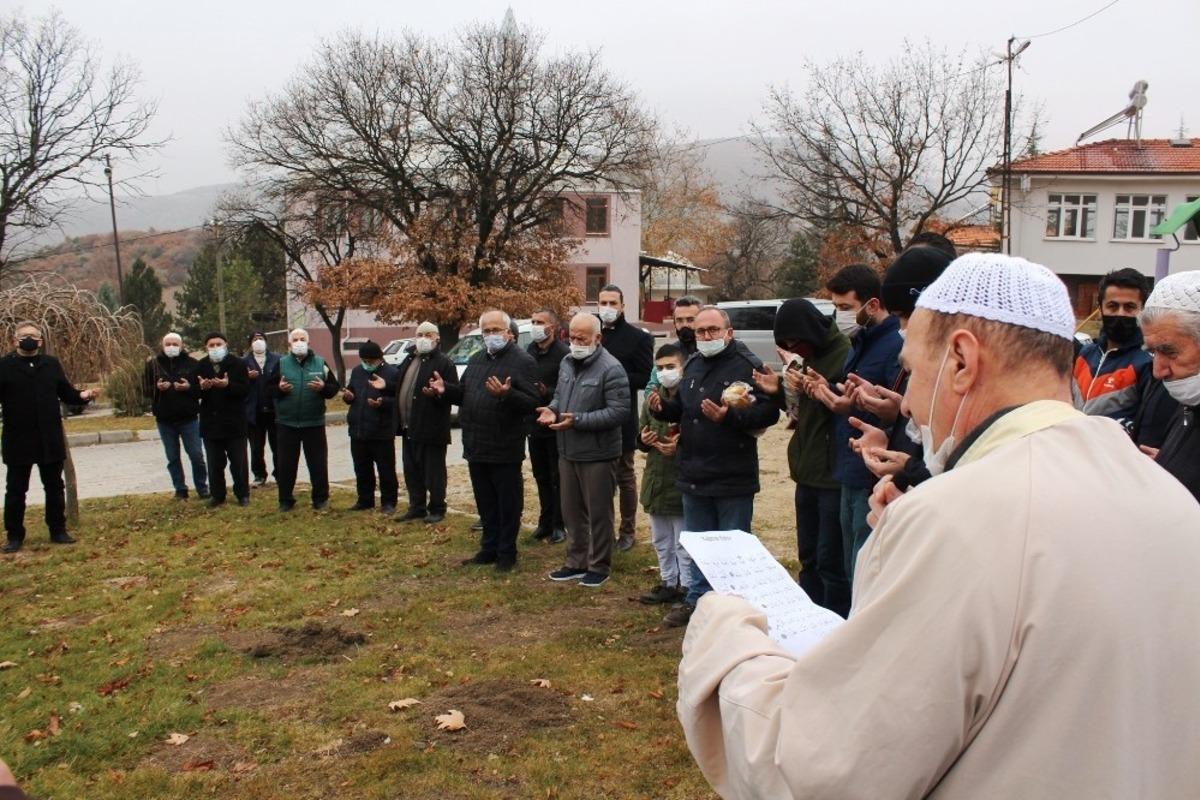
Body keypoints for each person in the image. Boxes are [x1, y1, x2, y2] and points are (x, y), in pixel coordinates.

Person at [677, 253, 1200, 799]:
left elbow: (826, 770)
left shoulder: (956, 520)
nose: (911, 411)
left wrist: (728, 636)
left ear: (961, 360)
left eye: (916, 371)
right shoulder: (1166, 496)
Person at [648, 306, 780, 627]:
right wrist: (663, 408)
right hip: (694, 472)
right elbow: (683, 408)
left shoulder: (747, 366)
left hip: (732, 474)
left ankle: (735, 609)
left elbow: (769, 413)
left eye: (713, 330)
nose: (706, 337)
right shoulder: (692, 364)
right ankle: (697, 601)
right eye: (700, 332)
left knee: (733, 547)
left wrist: (730, 417)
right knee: (699, 546)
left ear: (728, 332)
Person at [753, 299, 851, 617]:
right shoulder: (806, 358)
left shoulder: (845, 352)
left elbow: (844, 405)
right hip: (806, 470)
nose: (794, 347)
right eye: (787, 344)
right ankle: (807, 619)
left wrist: (820, 389)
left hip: (832, 473)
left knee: (829, 558)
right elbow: (804, 411)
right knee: (807, 554)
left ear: (810, 330)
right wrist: (780, 391)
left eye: (796, 341)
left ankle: (834, 620)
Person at [805, 264, 903, 582]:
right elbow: (855, 391)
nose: (839, 316)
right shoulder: (860, 341)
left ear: (872, 305)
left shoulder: (895, 347)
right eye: (835, 308)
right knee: (850, 566)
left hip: (871, 475)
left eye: (845, 308)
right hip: (848, 467)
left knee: (864, 569)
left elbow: (898, 412)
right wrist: (830, 390)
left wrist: (854, 407)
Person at [429, 310, 539, 572]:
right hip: (476, 443)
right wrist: (446, 391)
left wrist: (507, 394)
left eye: (495, 330)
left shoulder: (523, 361)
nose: (491, 336)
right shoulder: (477, 359)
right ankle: (488, 547)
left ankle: (506, 552)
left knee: (507, 502)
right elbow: (466, 394)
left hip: (505, 444)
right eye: (486, 331)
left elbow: (533, 403)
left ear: (509, 333)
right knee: (485, 501)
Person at [540, 313, 630, 588]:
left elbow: (619, 411)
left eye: (583, 338)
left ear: (598, 338)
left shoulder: (611, 368)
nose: (576, 343)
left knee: (599, 512)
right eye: (573, 337)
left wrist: (577, 420)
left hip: (599, 454)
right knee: (571, 511)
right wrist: (552, 409)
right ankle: (575, 561)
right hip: (567, 451)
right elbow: (560, 395)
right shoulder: (567, 362)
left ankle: (599, 564)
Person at [0, 321, 99, 553]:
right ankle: (14, 536)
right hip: (18, 438)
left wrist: (83, 395)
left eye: (33, 336)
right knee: (16, 489)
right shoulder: (4, 366)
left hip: (49, 437)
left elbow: (66, 393)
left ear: (41, 341)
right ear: (15, 340)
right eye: (24, 336)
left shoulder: (51, 364)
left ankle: (58, 530)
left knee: (54, 486)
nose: (29, 339)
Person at [596, 284, 653, 551]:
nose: (606, 308)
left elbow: (644, 376)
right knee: (597, 479)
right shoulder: (590, 332)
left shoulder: (637, 338)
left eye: (612, 303)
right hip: (590, 416)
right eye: (602, 303)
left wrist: (612, 378)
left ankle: (627, 530)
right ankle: (600, 529)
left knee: (624, 476)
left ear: (622, 306)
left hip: (621, 418)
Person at [636, 342, 691, 605]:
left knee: (683, 541)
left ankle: (687, 585)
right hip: (655, 478)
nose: (665, 372)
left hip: (680, 479)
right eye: (659, 368)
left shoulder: (688, 397)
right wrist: (643, 439)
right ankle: (668, 581)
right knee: (660, 538)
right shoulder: (652, 397)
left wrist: (679, 445)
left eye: (671, 367)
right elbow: (642, 431)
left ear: (683, 367)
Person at [1139, 269, 1200, 501]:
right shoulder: (1189, 405)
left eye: (1168, 351)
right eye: (1154, 352)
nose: (1158, 371)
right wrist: (1170, 464)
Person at [269, 328, 340, 511]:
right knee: (286, 464)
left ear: (309, 343)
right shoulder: (281, 364)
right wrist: (279, 389)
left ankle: (320, 499)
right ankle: (285, 500)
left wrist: (324, 387)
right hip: (287, 423)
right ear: (289, 344)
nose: (299, 342)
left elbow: (333, 389)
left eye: (302, 339)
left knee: (317, 463)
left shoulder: (320, 363)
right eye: (295, 339)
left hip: (313, 423)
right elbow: (268, 389)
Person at [1073, 268, 1154, 422]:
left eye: (1129, 307)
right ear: (1100, 308)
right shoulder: (1085, 354)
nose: (1120, 313)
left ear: (1142, 310)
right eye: (1112, 306)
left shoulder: (1148, 364)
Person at [395, 322, 457, 524]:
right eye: (419, 334)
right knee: (411, 470)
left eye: (427, 334)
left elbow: (453, 394)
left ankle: (437, 507)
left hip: (431, 428)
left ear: (437, 338)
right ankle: (417, 506)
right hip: (408, 427)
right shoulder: (410, 358)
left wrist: (439, 393)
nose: (422, 338)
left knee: (434, 473)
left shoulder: (444, 363)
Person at [143, 331, 209, 501]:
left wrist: (188, 388)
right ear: (162, 346)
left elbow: (201, 390)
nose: (171, 347)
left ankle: (202, 487)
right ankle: (180, 489)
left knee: (196, 455)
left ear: (181, 346)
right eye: (168, 344)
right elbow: (144, 390)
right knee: (172, 457)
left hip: (189, 418)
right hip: (165, 420)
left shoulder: (193, 364)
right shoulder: (153, 365)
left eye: (175, 344)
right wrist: (157, 388)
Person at [526, 309, 569, 543]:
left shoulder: (564, 354)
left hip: (556, 424)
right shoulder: (530, 351)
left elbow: (567, 388)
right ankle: (544, 521)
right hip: (534, 424)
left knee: (557, 476)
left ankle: (559, 524)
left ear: (551, 327)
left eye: (539, 322)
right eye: (533, 322)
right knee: (540, 475)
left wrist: (547, 392)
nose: (535, 326)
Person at [195, 332, 250, 507]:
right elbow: (193, 392)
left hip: (234, 422)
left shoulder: (238, 364)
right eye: (211, 345)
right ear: (206, 347)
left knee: (239, 462)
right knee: (214, 462)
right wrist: (202, 388)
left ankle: (242, 494)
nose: (215, 348)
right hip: (211, 423)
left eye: (218, 344)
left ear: (226, 345)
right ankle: (217, 495)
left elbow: (245, 390)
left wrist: (228, 385)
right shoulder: (201, 365)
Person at [342, 340, 398, 514]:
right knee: (361, 467)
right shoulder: (358, 371)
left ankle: (389, 502)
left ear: (379, 358)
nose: (367, 364)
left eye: (370, 360)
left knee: (386, 469)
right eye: (364, 360)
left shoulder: (392, 373)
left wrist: (382, 402)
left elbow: (397, 399)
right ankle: (365, 499)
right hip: (358, 428)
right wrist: (348, 396)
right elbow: (352, 392)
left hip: (381, 430)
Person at [243, 331, 280, 487]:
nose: (258, 341)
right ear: (250, 344)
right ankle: (259, 475)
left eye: (261, 339)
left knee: (278, 445)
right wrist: (247, 378)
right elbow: (239, 385)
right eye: (255, 339)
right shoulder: (243, 362)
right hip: (254, 412)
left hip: (274, 411)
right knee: (256, 448)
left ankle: (280, 474)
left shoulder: (278, 359)